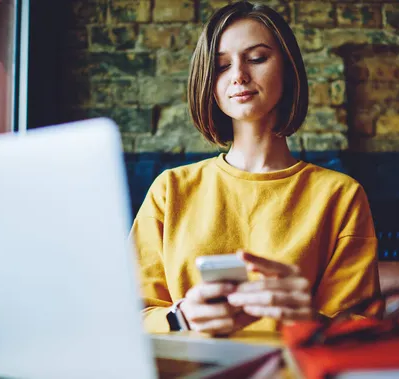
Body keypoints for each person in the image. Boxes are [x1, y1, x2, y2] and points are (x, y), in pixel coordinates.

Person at [129, 1, 380, 336]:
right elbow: (126, 315)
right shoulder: (169, 189)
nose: (239, 76)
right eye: (221, 66)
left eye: (257, 58)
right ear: (208, 81)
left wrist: (311, 321)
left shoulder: (341, 195)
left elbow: (364, 329)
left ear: (288, 69)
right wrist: (180, 317)